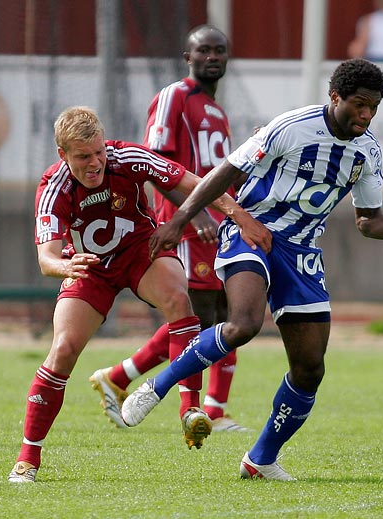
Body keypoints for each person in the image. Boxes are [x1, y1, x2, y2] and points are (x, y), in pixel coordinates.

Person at [121, 58, 383, 481]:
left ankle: (260, 458)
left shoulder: (367, 151)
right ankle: (157, 387)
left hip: (302, 255)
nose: (366, 114)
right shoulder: (291, 127)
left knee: (310, 369)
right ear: (335, 96)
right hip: (253, 233)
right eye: (359, 104)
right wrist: (180, 218)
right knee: (243, 323)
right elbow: (224, 171)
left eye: (373, 106)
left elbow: (366, 219)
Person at [7, 106, 270, 483]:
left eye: (98, 151)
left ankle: (189, 410)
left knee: (181, 301)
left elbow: (196, 183)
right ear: (63, 155)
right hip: (89, 269)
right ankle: (27, 459)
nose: (95, 162)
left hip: (140, 252)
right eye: (83, 156)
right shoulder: (53, 188)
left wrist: (239, 216)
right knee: (62, 350)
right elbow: (47, 258)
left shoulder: (126, 157)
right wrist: (66, 267)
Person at [89, 25, 247, 433]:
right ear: (187, 56)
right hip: (188, 224)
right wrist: (191, 216)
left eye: (220, 51)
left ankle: (123, 378)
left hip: (217, 222)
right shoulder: (174, 96)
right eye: (204, 50)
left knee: (226, 313)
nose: (213, 57)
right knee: (200, 315)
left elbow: (216, 173)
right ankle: (205, 407)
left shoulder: (216, 110)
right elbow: (155, 162)